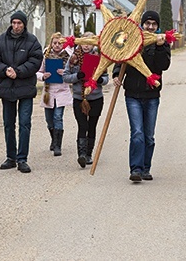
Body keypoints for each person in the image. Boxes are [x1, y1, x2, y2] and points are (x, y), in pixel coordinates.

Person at [112, 10, 171, 182]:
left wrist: (160, 47)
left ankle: (146, 168)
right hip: (132, 94)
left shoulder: (162, 42)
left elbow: (164, 65)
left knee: (149, 136)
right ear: (142, 24)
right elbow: (119, 58)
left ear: (157, 26)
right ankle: (136, 169)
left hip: (152, 95)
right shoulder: (130, 39)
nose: (150, 27)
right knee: (137, 132)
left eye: (154, 24)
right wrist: (116, 74)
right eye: (147, 23)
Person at [0, 10, 42, 173]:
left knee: (25, 123)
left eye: (19, 23)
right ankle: (10, 157)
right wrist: (5, 70)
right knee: (9, 124)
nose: (16, 26)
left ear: (24, 24)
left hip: (25, 87)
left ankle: (22, 158)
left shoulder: (32, 41)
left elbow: (35, 61)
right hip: (7, 88)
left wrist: (18, 71)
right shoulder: (0, 41)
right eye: (14, 23)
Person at [63, 32, 108, 168]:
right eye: (84, 43)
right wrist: (77, 76)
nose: (86, 46)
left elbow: (106, 78)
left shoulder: (99, 58)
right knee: (83, 125)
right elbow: (65, 77)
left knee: (92, 125)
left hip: (95, 97)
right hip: (79, 98)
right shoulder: (74, 58)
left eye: (89, 43)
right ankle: (81, 155)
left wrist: (100, 80)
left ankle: (89, 154)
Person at [36, 32, 71, 156]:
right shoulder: (46, 56)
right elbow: (38, 72)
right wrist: (43, 76)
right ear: (51, 44)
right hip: (48, 92)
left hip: (61, 91)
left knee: (58, 117)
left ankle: (58, 145)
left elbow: (73, 75)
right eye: (54, 43)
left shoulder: (68, 57)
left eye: (59, 43)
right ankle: (53, 138)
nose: (57, 45)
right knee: (49, 119)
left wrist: (65, 73)